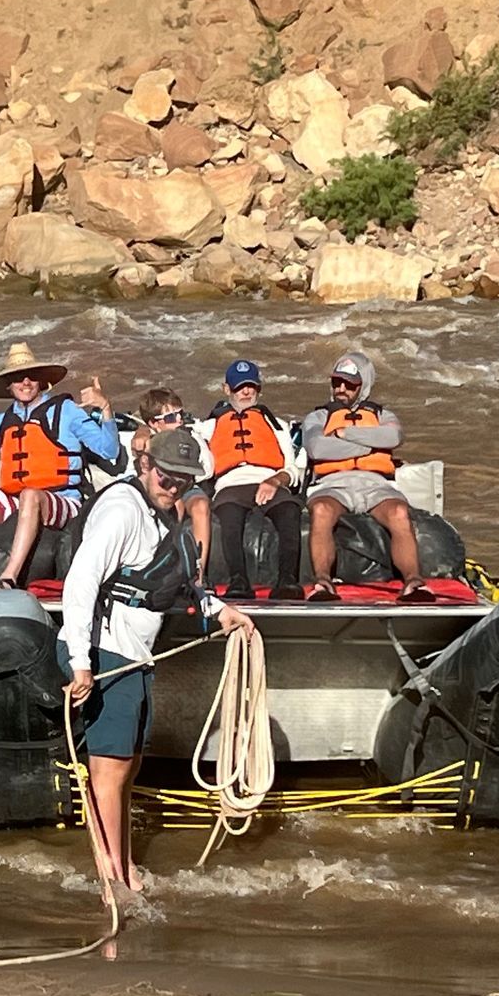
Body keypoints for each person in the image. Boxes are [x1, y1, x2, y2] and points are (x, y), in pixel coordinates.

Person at [60, 428, 252, 892]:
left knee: (129, 767)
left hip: (137, 655)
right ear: (146, 465)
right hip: (107, 652)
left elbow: (178, 585)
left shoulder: (165, 515)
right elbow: (81, 581)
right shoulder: (122, 510)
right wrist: (81, 662)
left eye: (183, 480)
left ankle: (122, 865)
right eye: (167, 476)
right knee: (109, 770)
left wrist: (221, 612)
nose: (173, 486)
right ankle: (112, 880)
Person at [0, 341, 121, 589]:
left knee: (31, 495)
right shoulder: (2, 421)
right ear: (9, 385)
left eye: (31, 376)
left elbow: (109, 449)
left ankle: (9, 576)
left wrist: (105, 407)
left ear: (41, 381)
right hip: (16, 504)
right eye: (17, 378)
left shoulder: (66, 411)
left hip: (63, 502)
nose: (25, 382)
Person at [301, 351, 434, 603]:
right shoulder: (318, 417)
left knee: (399, 513)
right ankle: (323, 582)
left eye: (349, 384)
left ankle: (414, 582)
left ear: (363, 387)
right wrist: (369, 446)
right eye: (337, 383)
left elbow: (393, 437)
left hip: (375, 483)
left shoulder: (383, 416)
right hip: (333, 484)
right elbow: (318, 448)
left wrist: (343, 433)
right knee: (321, 510)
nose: (341, 389)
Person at [195, 359, 306, 599]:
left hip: (270, 481)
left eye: (251, 386)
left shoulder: (277, 425)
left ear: (259, 389)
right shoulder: (208, 427)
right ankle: (238, 581)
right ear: (227, 389)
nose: (246, 392)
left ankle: (287, 580)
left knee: (289, 510)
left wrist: (275, 481)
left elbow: (292, 468)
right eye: (239, 387)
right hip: (230, 485)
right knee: (228, 514)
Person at [134, 388, 212, 583]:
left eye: (180, 414)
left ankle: (198, 574)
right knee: (173, 503)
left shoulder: (191, 436)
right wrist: (142, 434)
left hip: (187, 485)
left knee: (201, 506)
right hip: (160, 486)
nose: (178, 420)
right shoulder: (148, 441)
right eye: (170, 417)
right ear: (154, 423)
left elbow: (208, 468)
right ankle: (169, 566)